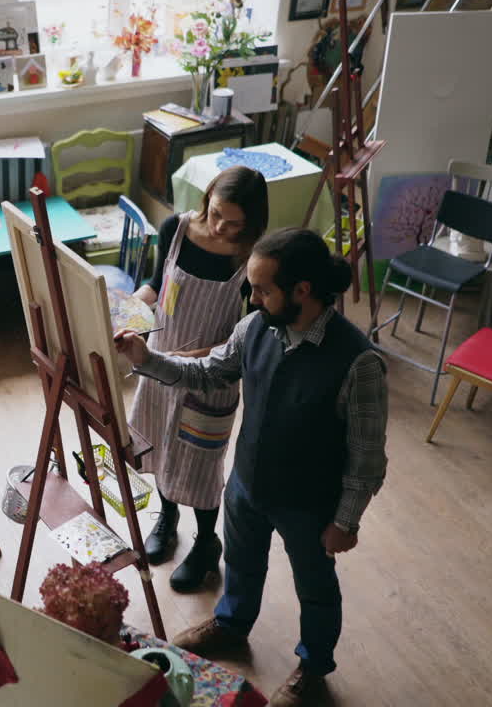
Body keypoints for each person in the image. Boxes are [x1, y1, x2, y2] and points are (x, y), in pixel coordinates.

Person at [115, 228, 388, 707]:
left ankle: (313, 667)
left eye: (262, 288)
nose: (252, 296)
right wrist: (146, 359)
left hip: (309, 504)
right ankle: (232, 625)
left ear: (302, 291)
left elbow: (367, 457)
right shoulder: (255, 327)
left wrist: (346, 521)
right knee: (240, 563)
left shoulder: (359, 362)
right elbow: (206, 371)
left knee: (315, 588)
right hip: (246, 484)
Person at [129, 166, 268, 593]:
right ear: (207, 197)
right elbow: (155, 287)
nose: (222, 227)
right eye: (217, 214)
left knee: (202, 464)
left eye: (235, 223)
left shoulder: (252, 259)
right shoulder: (176, 228)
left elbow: (245, 335)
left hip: (211, 376)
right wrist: (129, 309)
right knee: (161, 443)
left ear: (253, 223)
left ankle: (207, 542)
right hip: (157, 362)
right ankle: (167, 519)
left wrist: (190, 357)